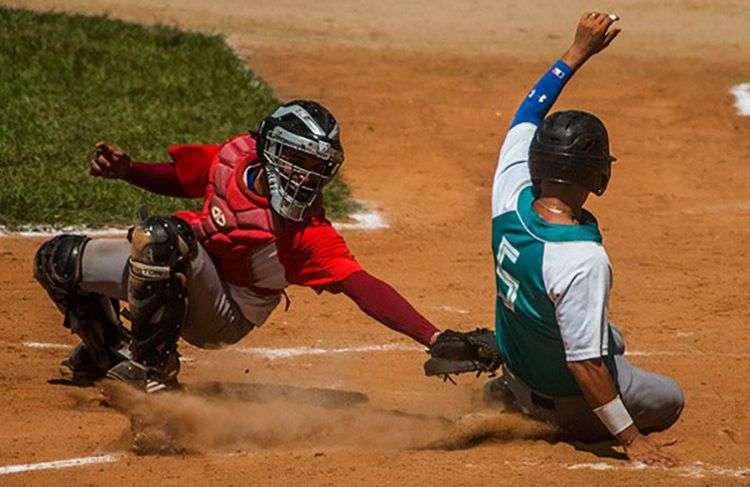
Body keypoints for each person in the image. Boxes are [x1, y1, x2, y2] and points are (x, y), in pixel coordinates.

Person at [34, 100, 448, 393]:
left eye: (316, 169)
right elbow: (185, 180)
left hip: (222, 314)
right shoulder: (236, 157)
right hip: (184, 266)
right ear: (271, 151)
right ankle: (105, 354)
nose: (306, 178)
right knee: (58, 261)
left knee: (163, 240)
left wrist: (433, 337)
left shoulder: (307, 233)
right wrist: (130, 171)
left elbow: (363, 287)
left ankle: (153, 372)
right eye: (297, 161)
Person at [484, 13, 684, 466]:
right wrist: (632, 440)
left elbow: (529, 110)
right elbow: (585, 366)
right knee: (670, 397)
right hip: (562, 397)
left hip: (518, 369)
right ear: (593, 174)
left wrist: (577, 52)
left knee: (612, 338)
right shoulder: (582, 259)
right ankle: (559, 420)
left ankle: (511, 390)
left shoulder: (508, 193)